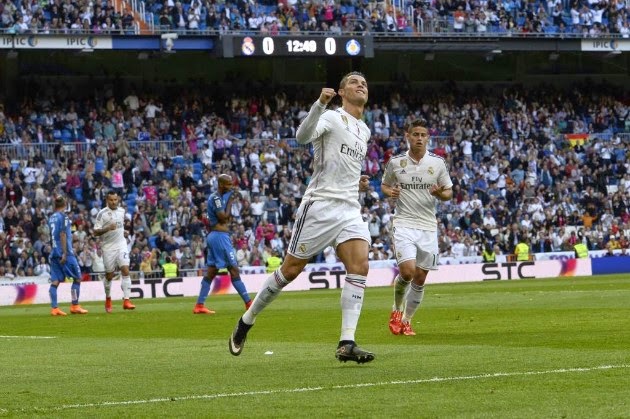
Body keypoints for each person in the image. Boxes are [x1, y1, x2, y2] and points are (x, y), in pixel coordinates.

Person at [229, 72, 375, 364]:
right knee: (290, 271)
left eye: (364, 83)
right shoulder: (331, 117)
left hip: (349, 207)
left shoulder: (365, 130)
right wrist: (319, 105)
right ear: (341, 92)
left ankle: (346, 342)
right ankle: (247, 320)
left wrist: (356, 183)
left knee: (360, 266)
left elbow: (342, 165)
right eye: (354, 82)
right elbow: (301, 137)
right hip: (320, 206)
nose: (361, 85)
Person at [381, 119, 453, 336]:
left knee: (420, 278)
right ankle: (396, 309)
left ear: (428, 138)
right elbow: (385, 185)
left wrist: (439, 193)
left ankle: (407, 320)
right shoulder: (396, 162)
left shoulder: (437, 163)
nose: (419, 138)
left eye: (423, 135)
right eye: (415, 134)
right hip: (404, 223)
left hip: (428, 226)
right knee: (407, 271)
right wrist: (390, 192)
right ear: (408, 136)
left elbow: (449, 192)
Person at [193, 174, 252, 314]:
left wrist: (234, 195)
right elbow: (223, 217)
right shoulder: (216, 198)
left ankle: (199, 305)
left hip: (215, 236)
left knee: (211, 272)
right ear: (221, 184)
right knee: (234, 270)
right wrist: (230, 201)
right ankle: (249, 303)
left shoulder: (220, 196)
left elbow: (239, 198)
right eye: (228, 184)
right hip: (220, 237)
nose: (231, 186)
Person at [93, 191, 136, 313]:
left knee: (125, 270)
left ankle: (126, 300)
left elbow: (120, 226)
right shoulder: (102, 214)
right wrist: (107, 228)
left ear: (118, 200)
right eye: (111, 200)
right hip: (108, 248)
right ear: (107, 200)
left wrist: (123, 232)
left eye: (115, 200)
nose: (113, 202)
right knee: (109, 276)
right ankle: (108, 298)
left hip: (121, 245)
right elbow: (95, 232)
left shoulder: (122, 211)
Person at [47, 195, 88, 316]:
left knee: (55, 281)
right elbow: (63, 234)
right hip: (66, 253)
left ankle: (54, 308)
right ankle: (75, 305)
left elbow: (53, 236)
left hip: (54, 252)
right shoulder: (64, 217)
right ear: (65, 205)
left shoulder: (51, 218)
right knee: (77, 278)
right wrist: (64, 253)